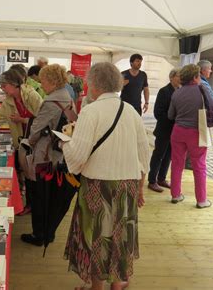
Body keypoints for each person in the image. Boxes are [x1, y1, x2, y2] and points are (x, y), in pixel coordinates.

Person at [61, 62, 149, 290]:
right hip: (127, 185)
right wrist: (140, 188)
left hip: (97, 185)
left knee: (96, 237)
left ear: (94, 84)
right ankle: (118, 284)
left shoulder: (90, 111)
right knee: (121, 236)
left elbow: (78, 156)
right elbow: (144, 154)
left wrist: (64, 143)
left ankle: (97, 287)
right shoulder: (131, 111)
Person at [20, 64, 74, 246]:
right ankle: (48, 232)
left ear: (51, 81)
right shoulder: (68, 98)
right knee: (51, 196)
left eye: (42, 81)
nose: (41, 85)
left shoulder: (51, 103)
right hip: (59, 154)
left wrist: (29, 143)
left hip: (44, 155)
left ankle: (39, 234)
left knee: (39, 196)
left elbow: (35, 131)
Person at [168, 64, 213, 208]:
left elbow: (170, 115)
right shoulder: (201, 90)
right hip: (196, 133)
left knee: (177, 164)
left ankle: (175, 195)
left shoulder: (176, 93)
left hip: (178, 131)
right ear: (196, 77)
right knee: (199, 165)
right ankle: (201, 200)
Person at [147, 68, 181, 193]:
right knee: (159, 155)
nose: (180, 78)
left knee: (168, 156)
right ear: (171, 77)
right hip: (164, 129)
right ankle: (152, 180)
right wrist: (171, 119)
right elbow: (158, 112)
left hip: (175, 130)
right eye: (178, 76)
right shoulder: (164, 91)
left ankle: (162, 178)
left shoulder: (180, 91)